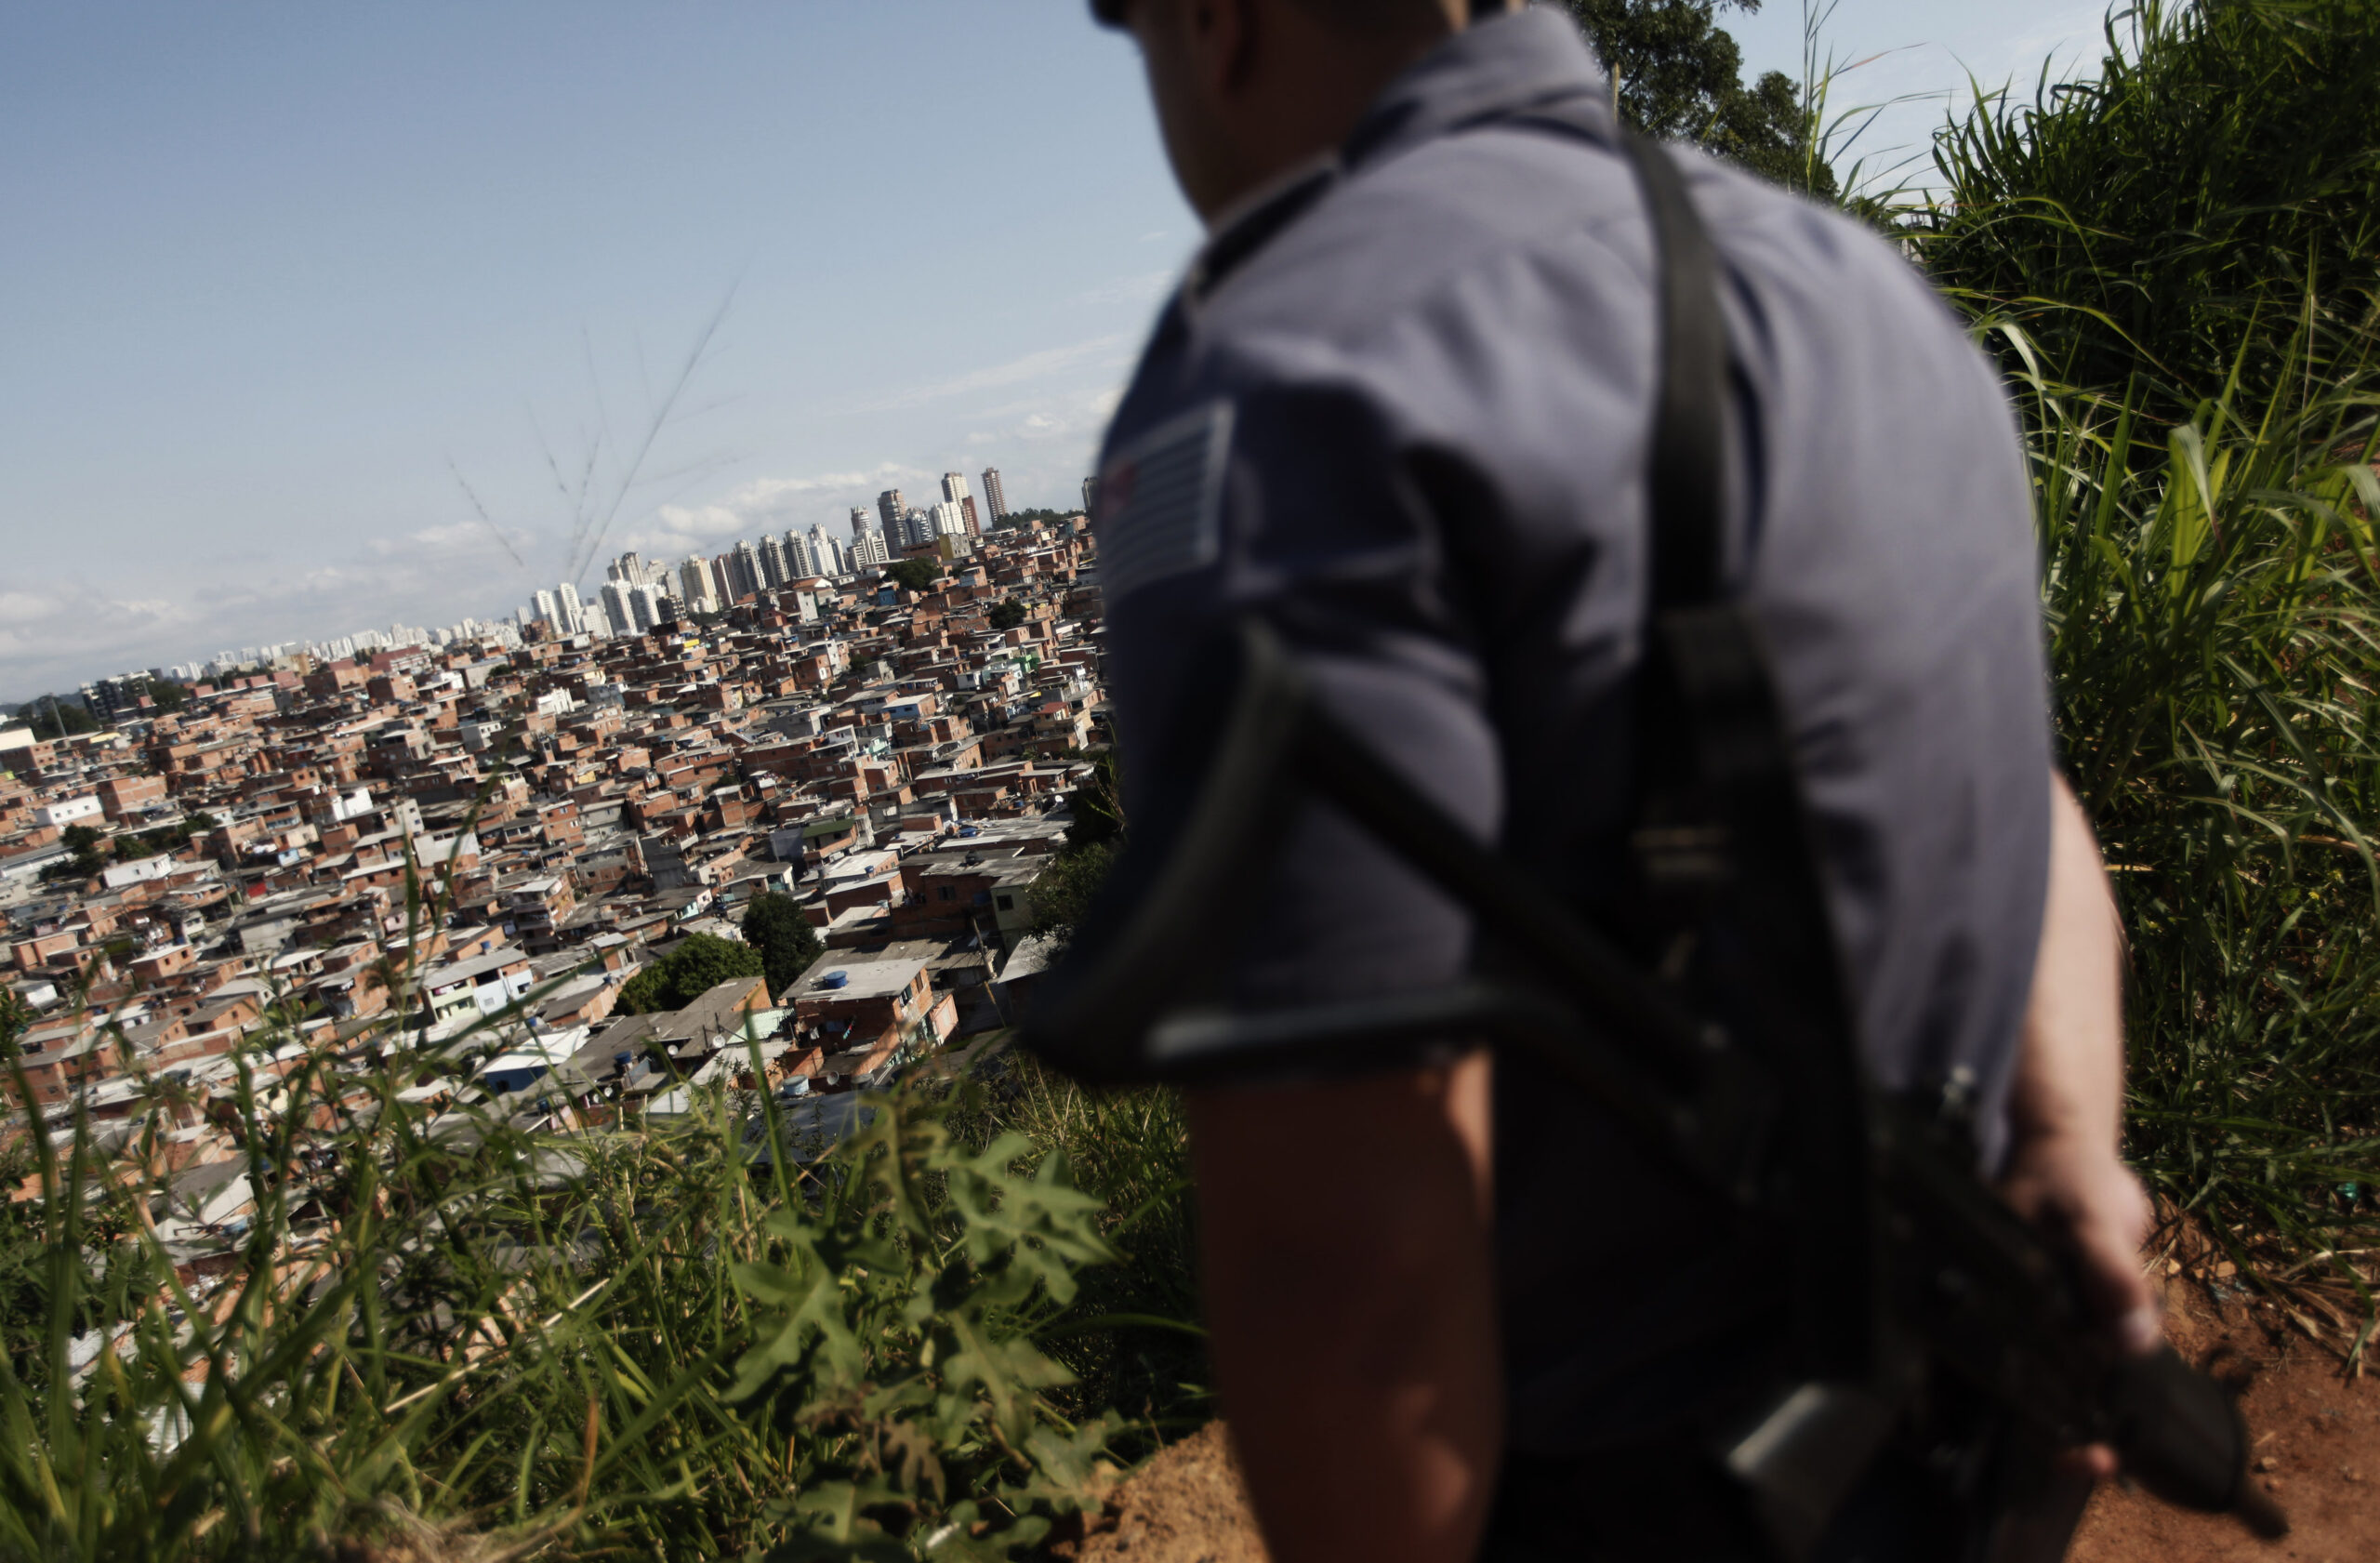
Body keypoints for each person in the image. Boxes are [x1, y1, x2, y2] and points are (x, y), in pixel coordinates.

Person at [1077, 1, 2159, 1559]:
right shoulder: (1860, 288)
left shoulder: (1283, 386)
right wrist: (2066, 1145)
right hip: (1980, 1447)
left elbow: (1346, 1281)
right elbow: (2025, 794)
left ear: (1213, 21)